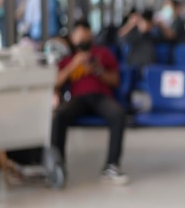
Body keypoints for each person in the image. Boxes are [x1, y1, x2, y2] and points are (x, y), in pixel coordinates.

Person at [52, 20, 129, 184]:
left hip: (100, 97)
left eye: (85, 34)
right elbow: (56, 82)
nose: (82, 38)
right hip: (77, 99)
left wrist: (98, 70)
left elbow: (116, 81)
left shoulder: (103, 54)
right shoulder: (68, 60)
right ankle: (57, 165)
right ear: (73, 38)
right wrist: (74, 64)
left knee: (118, 114)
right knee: (59, 116)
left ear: (91, 35)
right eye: (78, 35)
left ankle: (112, 166)